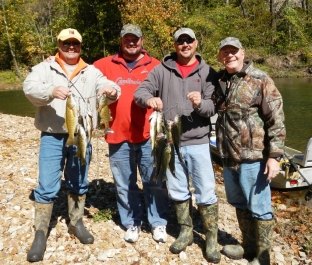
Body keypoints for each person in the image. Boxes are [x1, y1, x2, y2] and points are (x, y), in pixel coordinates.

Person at [23, 28, 120, 262]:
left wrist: (111, 91)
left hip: (82, 135)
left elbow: (111, 87)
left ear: (80, 46)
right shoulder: (44, 68)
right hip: (51, 136)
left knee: (78, 180)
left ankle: (76, 222)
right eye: (66, 43)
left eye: (75, 44)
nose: (71, 47)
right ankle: (40, 232)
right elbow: (28, 88)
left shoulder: (91, 72)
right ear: (59, 44)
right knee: (46, 184)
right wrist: (50, 91)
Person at [134, 28, 220, 263]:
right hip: (170, 142)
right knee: (178, 189)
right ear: (175, 45)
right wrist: (148, 99)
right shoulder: (161, 70)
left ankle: (211, 238)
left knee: (206, 191)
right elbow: (140, 91)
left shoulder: (208, 72)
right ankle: (185, 231)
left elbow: (213, 107)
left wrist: (200, 103)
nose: (185, 45)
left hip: (199, 142)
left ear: (196, 43)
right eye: (180, 41)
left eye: (188, 40)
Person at [214, 37, 286, 265]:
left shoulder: (260, 79)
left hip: (253, 158)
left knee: (260, 208)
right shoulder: (220, 80)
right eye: (225, 52)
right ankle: (248, 247)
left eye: (233, 51)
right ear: (220, 56)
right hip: (227, 157)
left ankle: (263, 257)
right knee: (238, 203)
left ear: (242, 53)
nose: (229, 56)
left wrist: (274, 157)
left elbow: (276, 119)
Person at [93, 24, 168, 243]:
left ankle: (158, 222)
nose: (131, 42)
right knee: (124, 182)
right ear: (121, 41)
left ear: (142, 40)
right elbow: (79, 74)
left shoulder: (155, 65)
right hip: (117, 135)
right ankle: (132, 222)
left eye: (135, 38)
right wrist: (54, 60)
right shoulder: (104, 64)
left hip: (148, 135)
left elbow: (173, 84)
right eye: (127, 38)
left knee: (154, 180)